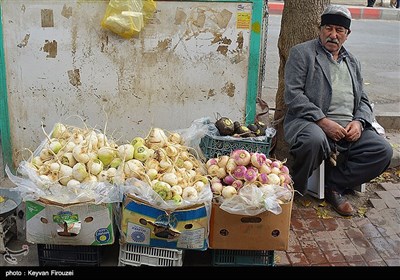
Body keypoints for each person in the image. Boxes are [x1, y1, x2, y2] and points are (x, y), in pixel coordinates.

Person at [283, 5, 393, 216]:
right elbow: (293, 96)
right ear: (320, 29)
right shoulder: (302, 53)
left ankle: (333, 185)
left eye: (339, 30)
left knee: (383, 151)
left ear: (347, 35)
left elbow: (363, 99)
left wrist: (359, 123)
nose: (333, 35)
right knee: (313, 140)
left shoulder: (353, 62)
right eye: (329, 28)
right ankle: (295, 188)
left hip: (347, 127)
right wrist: (323, 121)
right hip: (311, 122)